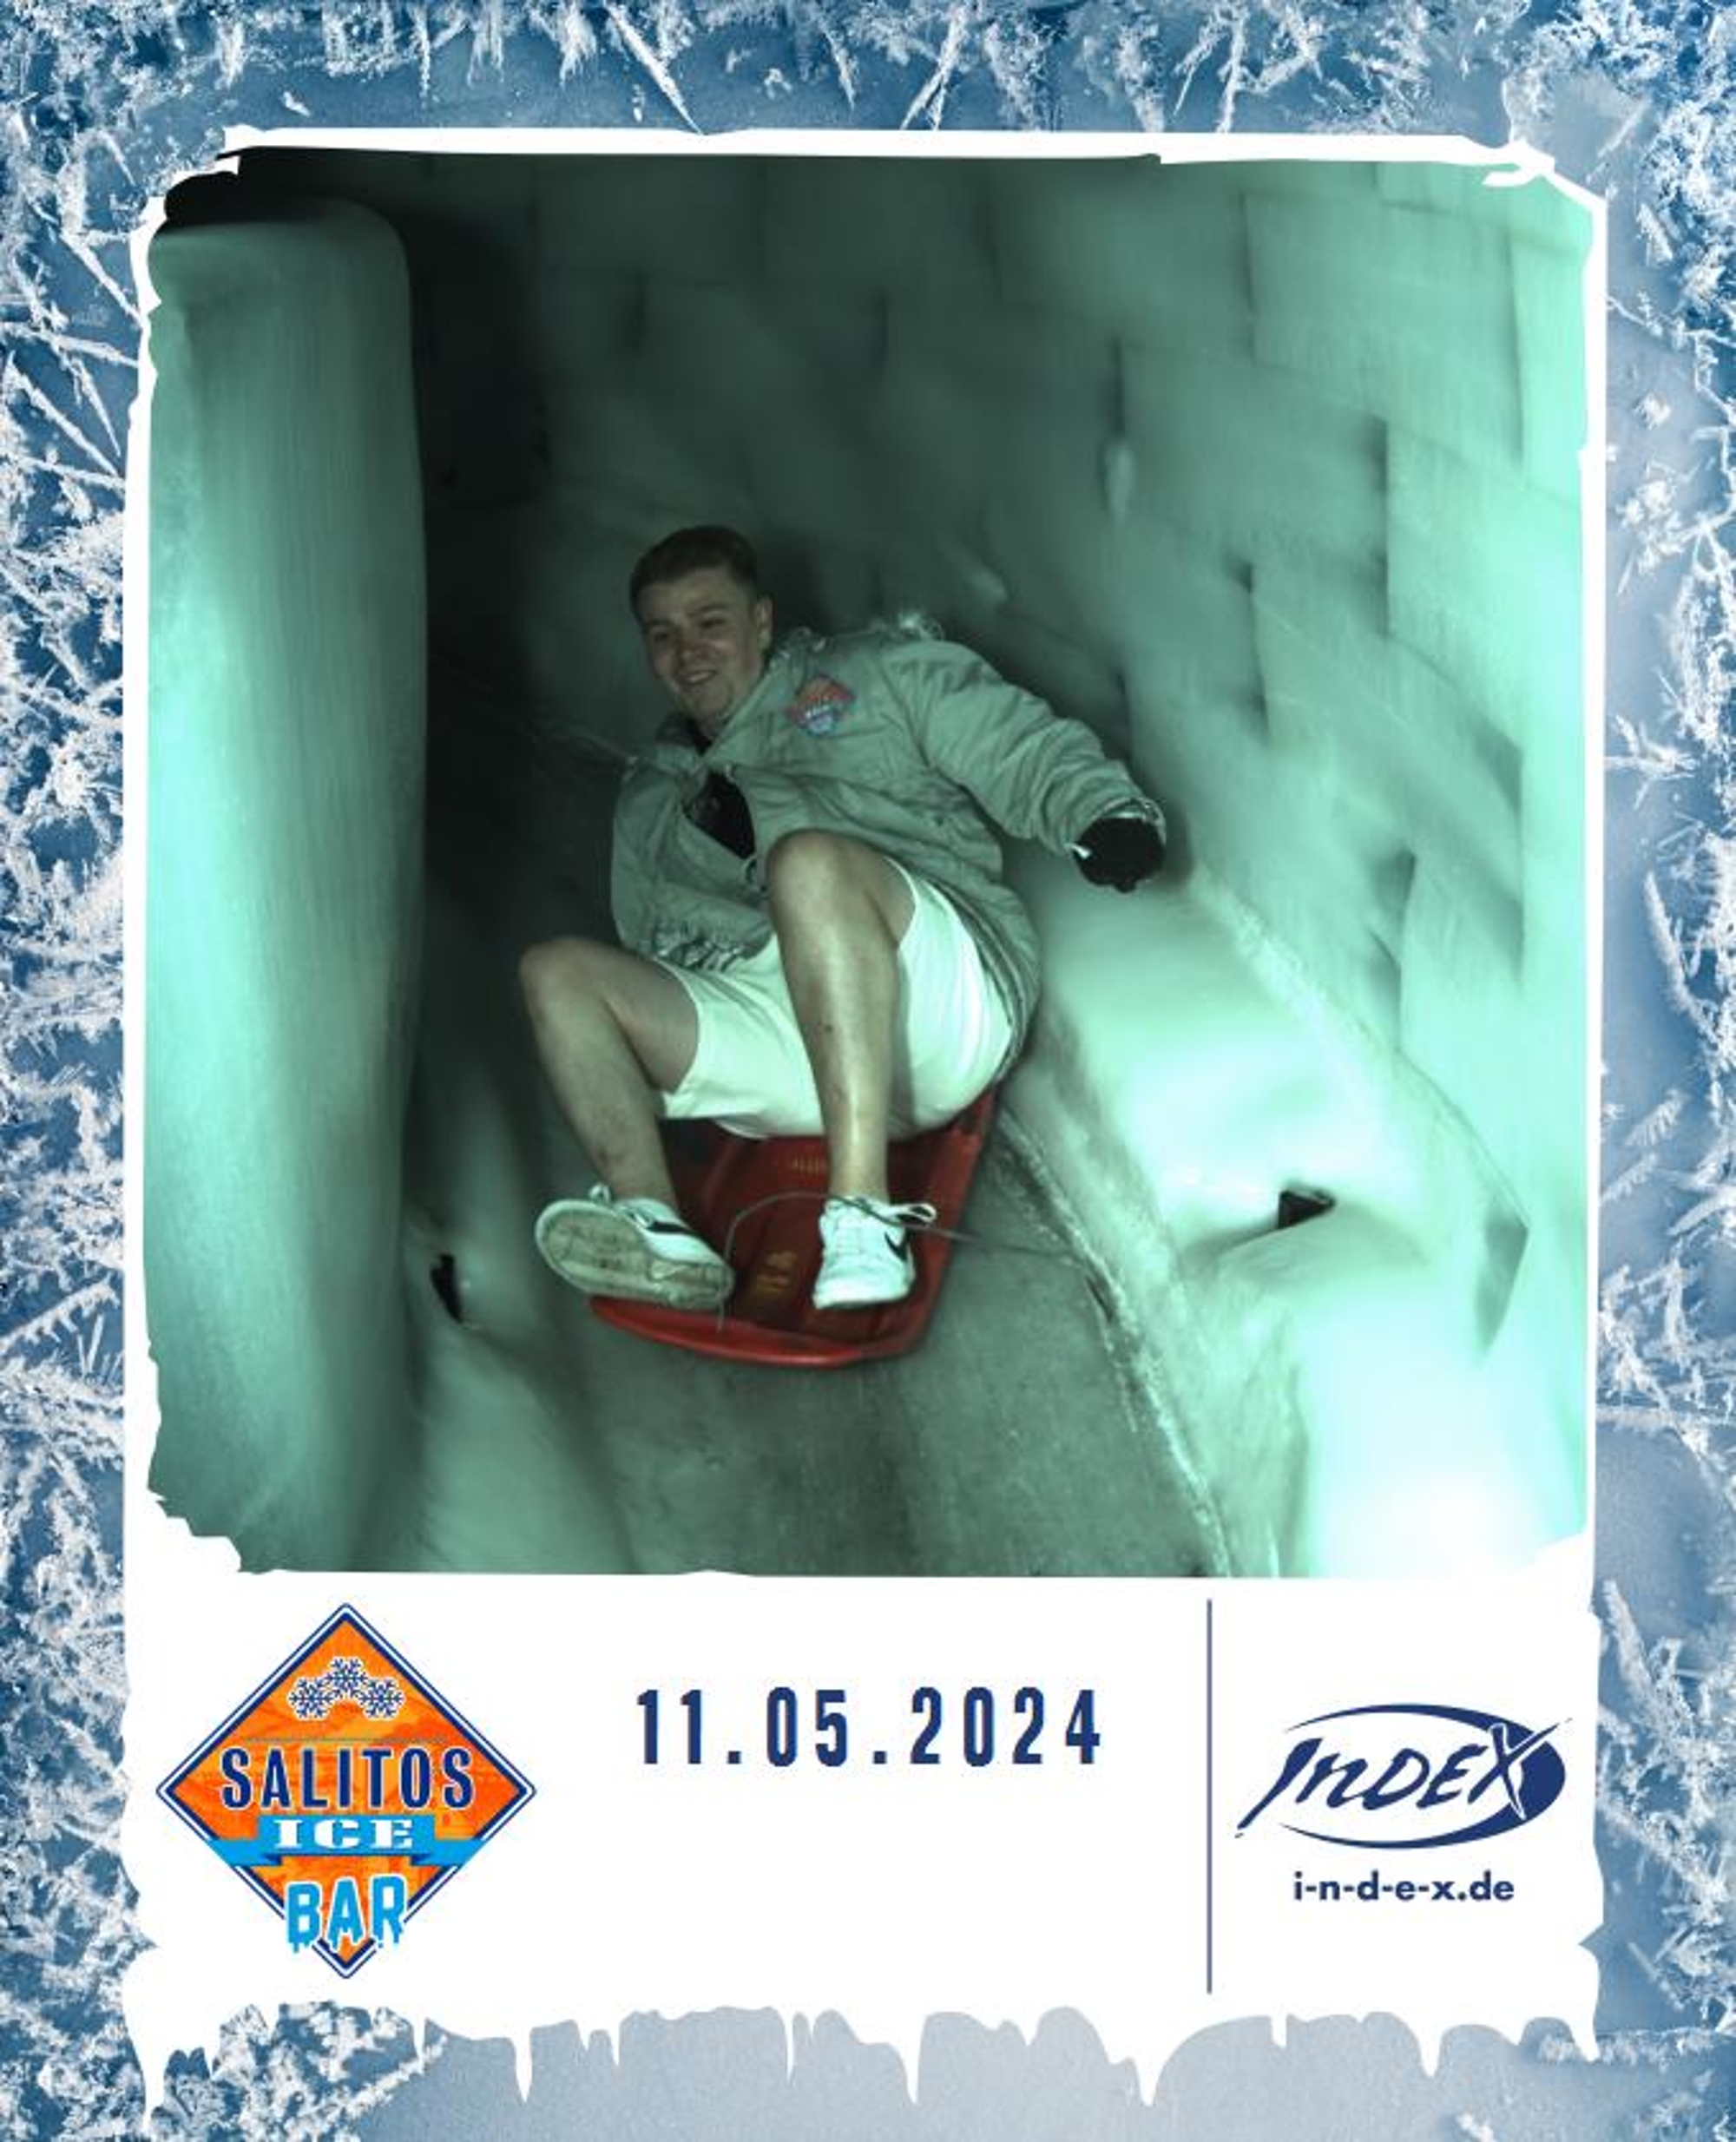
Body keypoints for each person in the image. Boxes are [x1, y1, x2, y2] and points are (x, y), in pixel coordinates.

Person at [520, 525, 1166, 1314]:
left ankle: (863, 1214)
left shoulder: (873, 678)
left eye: (710, 622)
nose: (688, 653)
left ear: (761, 621)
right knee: (556, 972)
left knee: (808, 864)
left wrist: (1101, 812)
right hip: (789, 1035)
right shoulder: (653, 794)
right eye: (663, 634)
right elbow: (650, 946)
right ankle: (653, 1225)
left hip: (937, 995)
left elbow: (1015, 743)